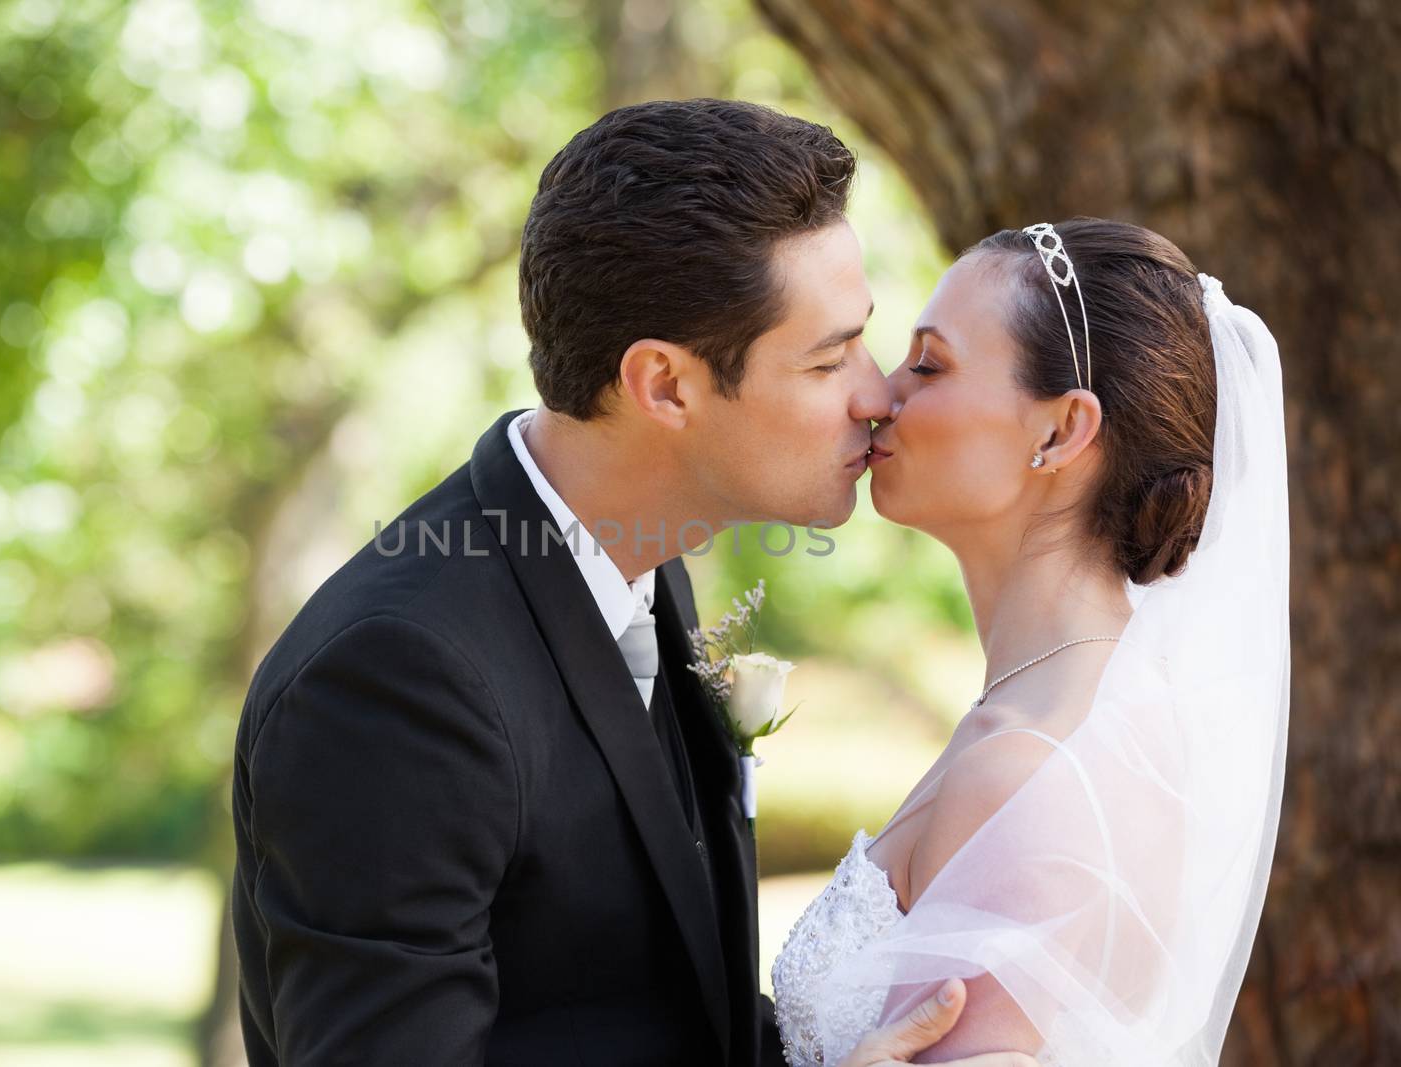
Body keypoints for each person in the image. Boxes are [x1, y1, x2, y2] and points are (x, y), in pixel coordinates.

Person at [228, 98, 1037, 1066]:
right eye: (828, 358)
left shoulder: (643, 572)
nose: (875, 394)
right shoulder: (396, 678)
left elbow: (649, 1016)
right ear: (664, 385)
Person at [772, 219, 1290, 1065]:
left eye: (929, 364)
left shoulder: (1023, 764)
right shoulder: (1083, 705)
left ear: (1060, 431)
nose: (878, 394)